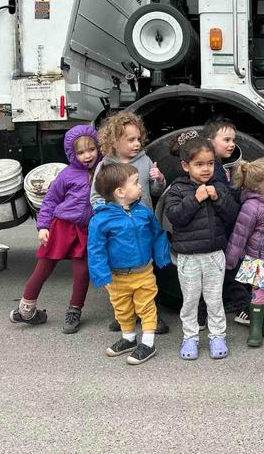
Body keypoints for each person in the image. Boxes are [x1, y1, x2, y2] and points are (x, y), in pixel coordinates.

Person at [9, 126, 100, 334]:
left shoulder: (103, 170)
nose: (87, 156)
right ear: (71, 154)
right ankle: (26, 308)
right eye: (80, 152)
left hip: (86, 229)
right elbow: (49, 201)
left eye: (91, 149)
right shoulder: (66, 175)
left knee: (82, 271)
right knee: (44, 267)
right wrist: (43, 227)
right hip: (62, 226)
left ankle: (74, 311)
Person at [90, 111, 169, 335]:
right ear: (114, 142)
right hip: (118, 233)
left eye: (138, 139)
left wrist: (158, 180)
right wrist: (108, 217)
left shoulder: (144, 161)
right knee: (120, 275)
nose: (137, 144)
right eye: (130, 140)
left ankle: (151, 314)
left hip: (143, 228)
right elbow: (95, 197)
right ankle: (124, 314)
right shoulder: (105, 166)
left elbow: (155, 193)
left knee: (147, 273)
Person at [164, 133, 240, 360]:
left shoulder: (218, 186)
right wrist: (194, 199)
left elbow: (232, 216)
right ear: (186, 166)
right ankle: (190, 337)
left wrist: (218, 198)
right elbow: (175, 217)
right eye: (199, 164)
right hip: (188, 257)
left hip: (215, 254)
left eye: (210, 164)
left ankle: (217, 336)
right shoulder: (177, 189)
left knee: (215, 299)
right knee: (190, 300)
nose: (205, 169)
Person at [87, 163, 171, 365]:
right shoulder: (100, 220)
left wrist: (162, 257)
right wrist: (102, 276)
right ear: (120, 192)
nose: (141, 186)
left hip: (143, 272)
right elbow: (95, 249)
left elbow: (158, 235)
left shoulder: (144, 213)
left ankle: (148, 343)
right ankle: (129, 339)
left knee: (147, 307)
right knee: (122, 309)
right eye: (135, 183)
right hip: (117, 276)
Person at [225, 158, 264, 347]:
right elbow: (239, 235)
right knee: (259, 293)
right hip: (259, 259)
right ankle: (255, 328)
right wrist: (231, 260)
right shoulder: (251, 207)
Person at [202, 116, 252, 326]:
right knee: (227, 270)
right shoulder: (212, 170)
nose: (232, 144)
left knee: (225, 271)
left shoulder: (221, 166)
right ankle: (242, 307)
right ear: (210, 141)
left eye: (233, 140)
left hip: (223, 230)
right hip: (219, 230)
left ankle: (234, 307)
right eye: (226, 140)